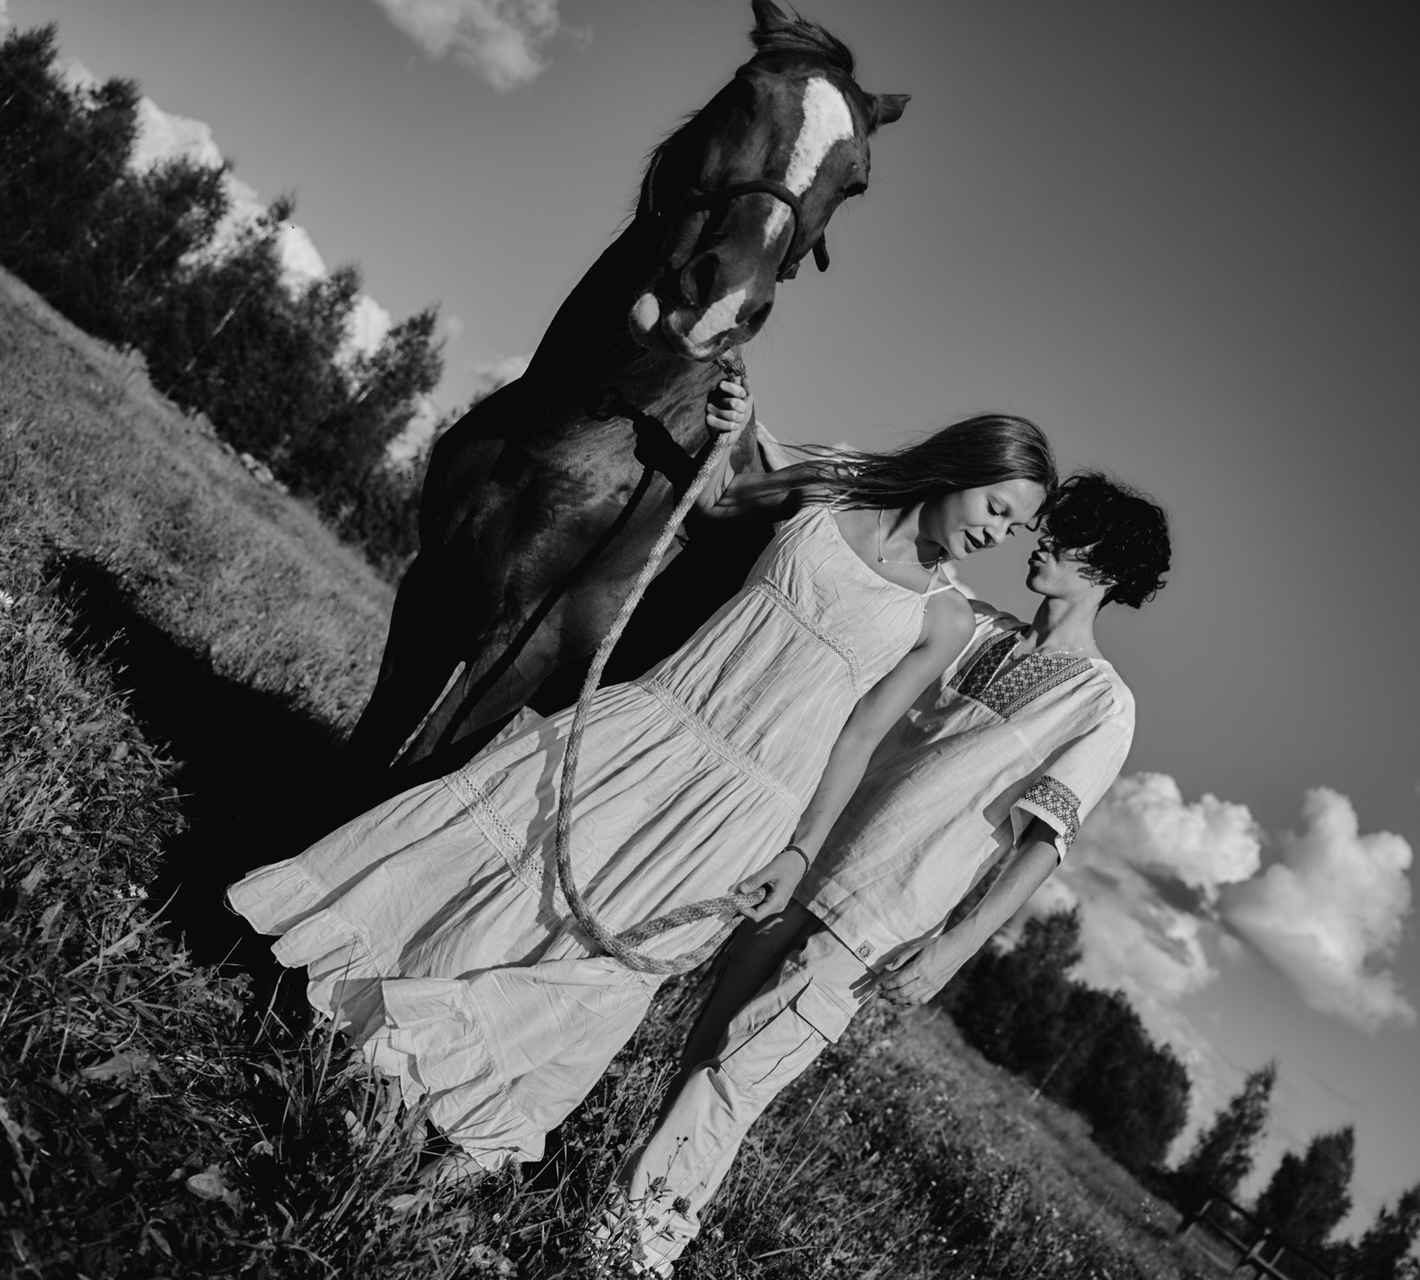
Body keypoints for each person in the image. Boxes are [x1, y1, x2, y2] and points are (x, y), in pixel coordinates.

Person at [225, 377, 1055, 1181]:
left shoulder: (941, 618)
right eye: (997, 509)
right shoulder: (827, 491)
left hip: (747, 803)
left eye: (1015, 528)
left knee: (610, 950)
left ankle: (424, 1089)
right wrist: (735, 428)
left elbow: (861, 737)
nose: (999, 536)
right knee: (521, 853)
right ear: (961, 468)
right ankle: (356, 1003)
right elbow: (721, 505)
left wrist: (800, 852)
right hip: (660, 717)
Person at [612, 471, 1171, 1273]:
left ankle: (634, 1252)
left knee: (739, 1073)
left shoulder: (1102, 705)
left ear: (1109, 570)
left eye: (1071, 536)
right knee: (702, 1049)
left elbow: (1042, 844)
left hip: (881, 915)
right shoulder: (972, 624)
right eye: (1050, 525)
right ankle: (621, 1208)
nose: (1043, 540)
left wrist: (954, 950)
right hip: (803, 863)